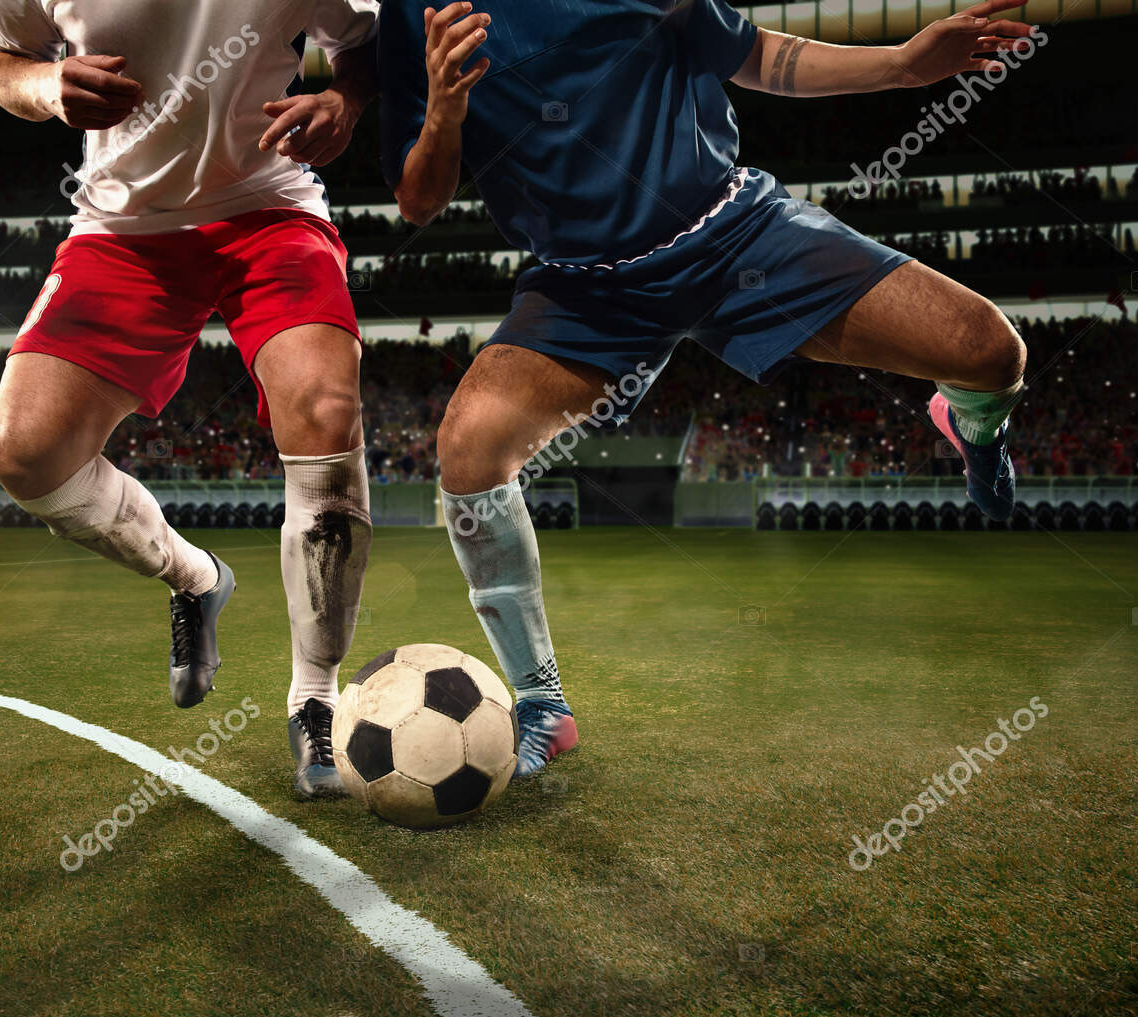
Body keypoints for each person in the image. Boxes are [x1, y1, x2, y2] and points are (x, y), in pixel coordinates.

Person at [380, 0, 1034, 776]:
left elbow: (751, 54)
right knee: (467, 449)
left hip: (733, 234)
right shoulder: (410, 12)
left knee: (991, 351)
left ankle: (974, 429)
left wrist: (900, 65)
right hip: (587, 289)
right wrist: (445, 112)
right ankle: (540, 701)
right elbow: (418, 198)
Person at [0, 0, 381, 798]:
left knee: (326, 412)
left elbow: (361, 47)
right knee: (24, 450)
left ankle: (315, 702)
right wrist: (50, 86)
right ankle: (195, 576)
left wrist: (345, 101)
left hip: (267, 206)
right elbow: (2, 60)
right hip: (122, 226)